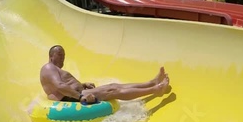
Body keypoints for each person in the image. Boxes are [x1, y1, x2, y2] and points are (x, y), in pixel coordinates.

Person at [40, 45, 170, 104]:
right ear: (51, 56)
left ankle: (151, 83)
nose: (63, 58)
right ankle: (155, 90)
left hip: (76, 94)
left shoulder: (54, 69)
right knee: (113, 91)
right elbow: (59, 85)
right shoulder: (48, 67)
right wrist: (80, 96)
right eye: (60, 55)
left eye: (64, 55)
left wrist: (83, 84)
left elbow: (63, 83)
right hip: (72, 98)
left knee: (113, 85)